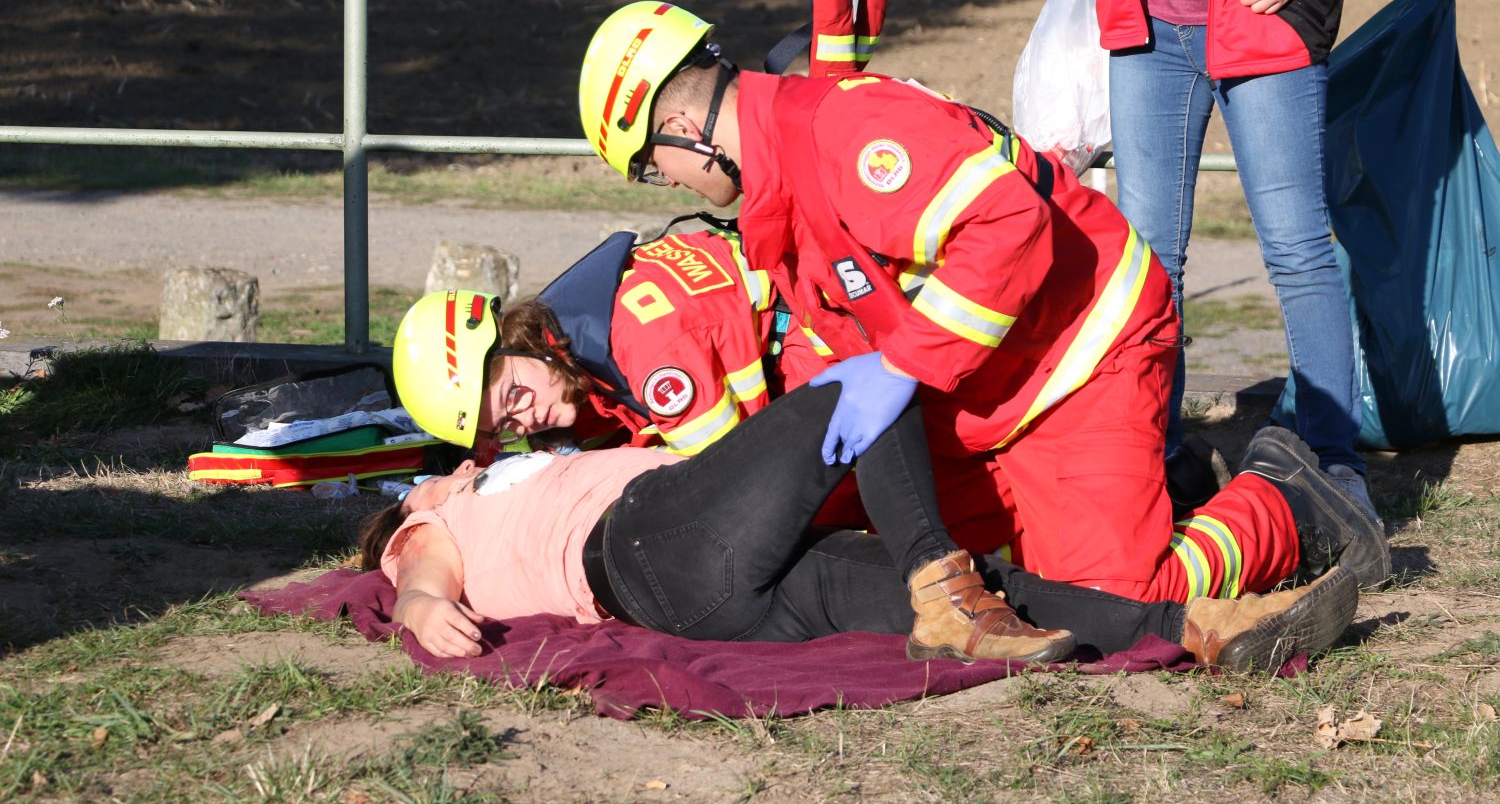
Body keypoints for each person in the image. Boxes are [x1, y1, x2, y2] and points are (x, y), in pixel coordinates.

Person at [573, 0, 1392, 599]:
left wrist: (903, 365)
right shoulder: (779, 182)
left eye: (652, 168)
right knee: (949, 564)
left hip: (1083, 353)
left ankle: (1286, 502)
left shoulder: (844, 134)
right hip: (980, 389)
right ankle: (1143, 493)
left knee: (1119, 594)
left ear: (681, 125)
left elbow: (1007, 222)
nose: (667, 185)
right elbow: (831, 328)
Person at [362, 376, 1359, 672]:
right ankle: (937, 577)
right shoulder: (446, 517)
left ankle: (1197, 634)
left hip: (713, 596)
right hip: (644, 542)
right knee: (866, 390)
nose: (444, 471)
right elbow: (417, 570)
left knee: (981, 599)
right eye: (423, 484)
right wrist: (411, 591)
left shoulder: (513, 471)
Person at [1067, 0, 1410, 524]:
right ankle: (1156, 466)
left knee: (1296, 249)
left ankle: (1333, 469)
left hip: (1261, 29)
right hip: (1147, 37)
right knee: (1149, 261)